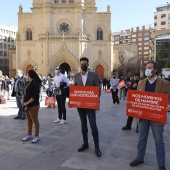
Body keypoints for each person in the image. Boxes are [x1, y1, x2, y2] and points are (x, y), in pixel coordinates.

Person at [129, 62, 170, 170]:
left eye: (149, 68)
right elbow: (138, 98)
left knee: (159, 140)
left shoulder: (164, 83)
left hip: (157, 117)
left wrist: (169, 106)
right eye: (146, 68)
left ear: (155, 70)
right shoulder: (141, 83)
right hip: (143, 117)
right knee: (142, 138)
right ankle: (139, 158)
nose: (147, 70)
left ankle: (161, 163)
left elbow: (168, 98)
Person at [74, 57, 101, 157]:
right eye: (82, 64)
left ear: (88, 65)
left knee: (93, 125)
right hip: (80, 106)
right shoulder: (77, 76)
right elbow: (75, 90)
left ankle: (97, 147)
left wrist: (97, 103)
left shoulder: (94, 75)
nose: (83, 66)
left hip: (90, 105)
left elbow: (98, 89)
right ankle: (85, 144)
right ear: (80, 65)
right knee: (83, 125)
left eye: (85, 64)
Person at [22, 70, 42, 143]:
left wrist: (27, 102)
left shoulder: (35, 84)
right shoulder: (28, 83)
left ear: (29, 75)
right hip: (27, 105)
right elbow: (24, 92)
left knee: (35, 120)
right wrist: (22, 99)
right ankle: (29, 134)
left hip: (33, 105)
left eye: (27, 74)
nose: (26, 75)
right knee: (29, 120)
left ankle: (36, 135)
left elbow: (35, 97)